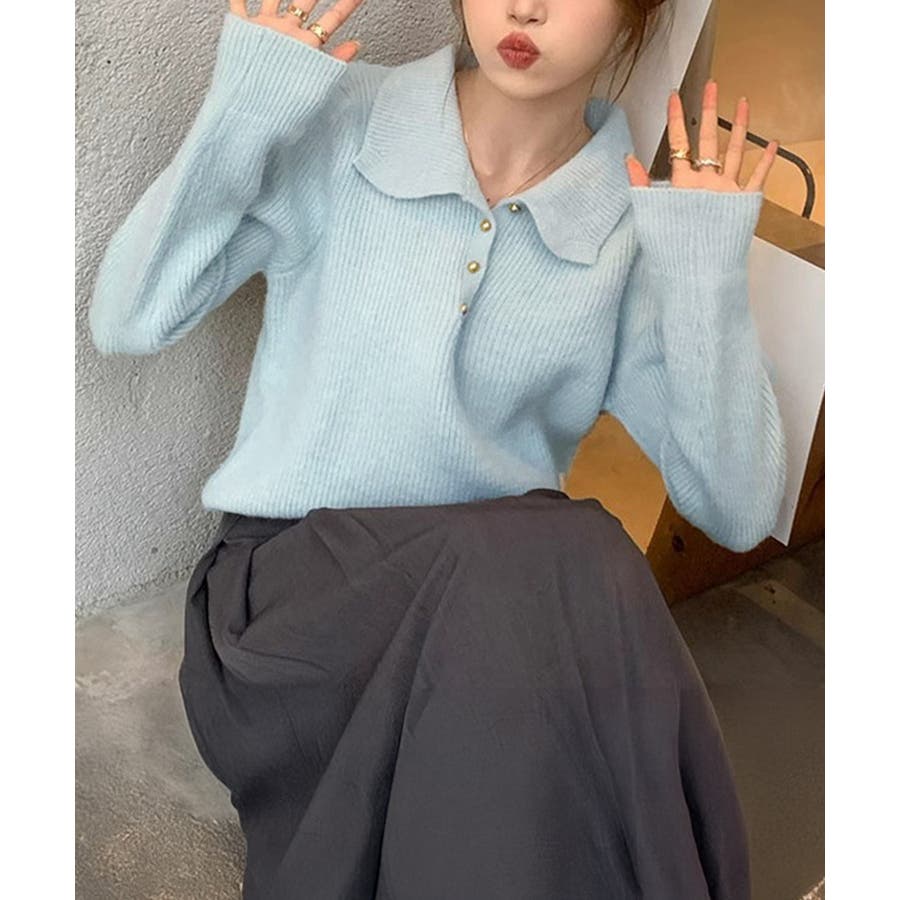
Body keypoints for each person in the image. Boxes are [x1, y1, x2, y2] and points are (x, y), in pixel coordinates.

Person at [88, 1, 788, 897]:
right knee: (577, 560)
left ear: (635, 15)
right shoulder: (348, 124)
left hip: (485, 637)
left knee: (545, 629)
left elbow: (736, 508)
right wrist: (245, 106)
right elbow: (128, 319)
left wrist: (705, 272)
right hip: (292, 616)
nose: (524, 7)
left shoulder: (627, 229)